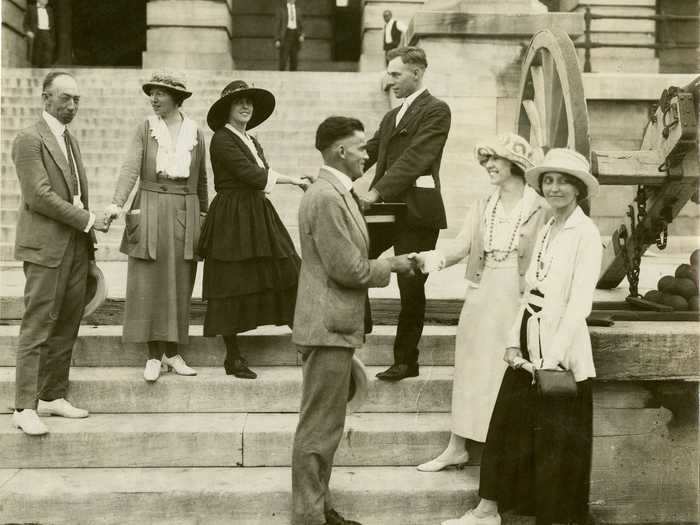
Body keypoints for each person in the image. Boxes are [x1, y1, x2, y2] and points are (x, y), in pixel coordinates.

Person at [443, 148, 602, 525]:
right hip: (527, 345)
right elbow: (531, 291)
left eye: (564, 181)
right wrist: (514, 340)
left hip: (559, 355)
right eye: (549, 180)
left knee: (556, 445)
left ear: (579, 189)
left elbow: (579, 305)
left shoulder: (587, 234)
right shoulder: (549, 227)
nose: (555, 188)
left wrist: (551, 360)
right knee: (504, 427)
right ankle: (486, 512)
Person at [291, 116, 416, 525]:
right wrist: (393, 264)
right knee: (319, 428)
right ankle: (310, 517)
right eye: (361, 147)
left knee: (326, 425)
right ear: (340, 152)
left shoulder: (334, 191)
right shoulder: (327, 197)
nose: (368, 154)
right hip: (328, 325)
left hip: (333, 324)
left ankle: (321, 509)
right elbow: (348, 269)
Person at [412, 134, 548, 472]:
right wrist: (430, 259)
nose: (488, 165)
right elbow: (460, 246)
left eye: (495, 159)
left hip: (518, 298)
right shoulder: (484, 202)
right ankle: (456, 446)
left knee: (505, 371)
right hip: (482, 291)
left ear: (515, 164)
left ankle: (500, 453)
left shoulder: (539, 206)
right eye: (485, 159)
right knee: (471, 366)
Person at [11, 71, 108, 436]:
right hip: (45, 247)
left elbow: (76, 193)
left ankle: (52, 394)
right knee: (37, 325)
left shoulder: (70, 140)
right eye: (65, 98)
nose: (72, 105)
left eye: (77, 99)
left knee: (67, 322)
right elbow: (38, 196)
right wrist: (88, 220)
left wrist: (89, 238)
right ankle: (24, 405)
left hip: (75, 247)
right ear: (45, 98)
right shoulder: (29, 139)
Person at [104, 73, 208, 383]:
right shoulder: (145, 128)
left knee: (179, 281)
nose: (155, 98)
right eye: (152, 93)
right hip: (148, 206)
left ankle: (172, 353)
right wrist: (116, 203)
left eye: (161, 93)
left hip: (184, 209)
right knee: (148, 282)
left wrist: (204, 214)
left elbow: (201, 178)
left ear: (178, 99)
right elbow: (130, 168)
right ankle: (153, 355)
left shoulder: (195, 132)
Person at [199, 80, 306, 379]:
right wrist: (294, 181)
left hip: (257, 212)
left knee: (288, 270)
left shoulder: (251, 140)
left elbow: (262, 173)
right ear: (227, 109)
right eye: (239, 102)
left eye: (249, 101)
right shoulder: (221, 139)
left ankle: (306, 341)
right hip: (232, 216)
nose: (246, 106)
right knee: (232, 282)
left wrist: (294, 179)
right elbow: (252, 175)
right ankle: (233, 357)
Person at [358, 46, 451, 381]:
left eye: (396, 74)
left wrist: (376, 191)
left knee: (410, 287)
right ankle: (360, 324)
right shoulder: (390, 116)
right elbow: (366, 152)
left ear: (417, 72)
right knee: (355, 256)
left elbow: (415, 158)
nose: (389, 80)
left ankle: (406, 360)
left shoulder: (437, 111)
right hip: (388, 209)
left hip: (417, 212)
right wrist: (335, 173)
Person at [23, 0, 56, 67]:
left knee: (48, 55)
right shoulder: (31, 8)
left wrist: (52, 37)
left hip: (47, 33)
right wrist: (28, 31)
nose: (46, 0)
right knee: (37, 55)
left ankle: (46, 71)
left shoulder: (49, 10)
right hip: (37, 33)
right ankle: (36, 73)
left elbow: (52, 24)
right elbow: (25, 23)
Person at [275, 0, 305, 71]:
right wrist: (277, 39)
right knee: (283, 60)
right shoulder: (281, 9)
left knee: (294, 60)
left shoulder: (298, 9)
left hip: (295, 35)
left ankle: (293, 80)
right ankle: (281, 79)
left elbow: (301, 24)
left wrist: (302, 35)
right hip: (285, 35)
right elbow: (277, 25)